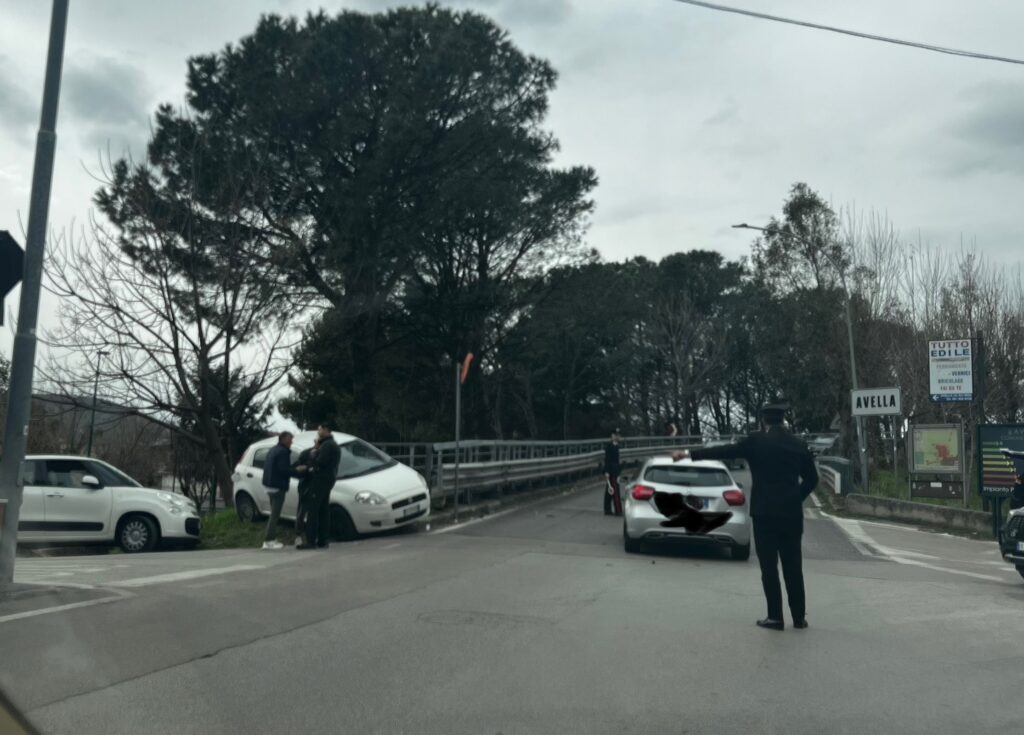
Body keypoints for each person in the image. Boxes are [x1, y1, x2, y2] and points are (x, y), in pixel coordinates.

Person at [674, 403, 818, 631]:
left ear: (763, 421)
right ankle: (799, 618)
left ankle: (775, 617)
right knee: (793, 565)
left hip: (764, 514)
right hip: (791, 514)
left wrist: (689, 454)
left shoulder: (755, 442)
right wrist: (794, 498)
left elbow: (724, 451)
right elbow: (812, 480)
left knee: (769, 567)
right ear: (782, 420)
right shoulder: (798, 444)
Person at [300, 425, 342, 550]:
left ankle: (311, 541)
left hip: (320, 479)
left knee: (313, 509)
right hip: (328, 479)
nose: (318, 432)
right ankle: (323, 540)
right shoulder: (331, 444)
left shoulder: (327, 445)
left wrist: (313, 454)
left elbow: (320, 462)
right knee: (323, 509)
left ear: (326, 430)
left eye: (320, 429)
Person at [260, 431, 294, 550]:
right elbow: (284, 470)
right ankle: (269, 540)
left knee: (273, 513)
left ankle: (270, 539)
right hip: (277, 486)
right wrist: (297, 470)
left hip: (268, 485)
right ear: (283, 439)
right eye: (290, 439)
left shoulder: (273, 449)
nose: (291, 442)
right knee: (275, 515)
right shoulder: (283, 452)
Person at [292, 439, 320, 546]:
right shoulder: (305, 453)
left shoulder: (324, 454)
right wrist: (307, 469)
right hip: (306, 486)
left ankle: (315, 535)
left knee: (316, 512)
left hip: (318, 486)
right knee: (302, 511)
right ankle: (298, 535)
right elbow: (297, 468)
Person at [603, 429, 623, 516]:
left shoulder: (617, 446)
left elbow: (617, 461)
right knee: (615, 490)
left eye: (618, 435)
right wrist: (607, 471)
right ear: (612, 436)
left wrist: (619, 472)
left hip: (615, 470)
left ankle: (607, 509)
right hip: (611, 470)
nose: (617, 436)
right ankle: (618, 510)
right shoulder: (609, 446)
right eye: (615, 435)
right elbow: (607, 460)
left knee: (609, 490)